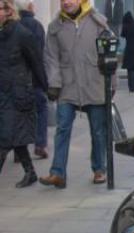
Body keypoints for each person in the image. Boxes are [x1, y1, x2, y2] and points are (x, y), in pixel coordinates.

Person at [39, 0, 112, 189]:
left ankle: (99, 169)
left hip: (93, 83)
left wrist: (110, 82)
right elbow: (51, 58)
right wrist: (53, 83)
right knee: (62, 129)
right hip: (67, 86)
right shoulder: (55, 27)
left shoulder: (98, 22)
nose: (66, 2)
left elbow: (109, 54)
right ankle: (57, 173)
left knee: (98, 131)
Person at [0, 0, 47, 187]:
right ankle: (31, 173)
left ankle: (30, 173)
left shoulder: (22, 34)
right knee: (14, 137)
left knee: (4, 138)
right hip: (3, 93)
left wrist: (46, 88)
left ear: (8, 11)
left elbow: (36, 62)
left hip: (17, 94)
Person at [15, 0, 48, 160]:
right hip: (33, 78)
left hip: (17, 80)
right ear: (29, 7)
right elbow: (39, 54)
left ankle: (18, 150)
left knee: (19, 114)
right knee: (41, 110)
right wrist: (44, 81)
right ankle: (40, 144)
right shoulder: (36, 25)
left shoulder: (13, 26)